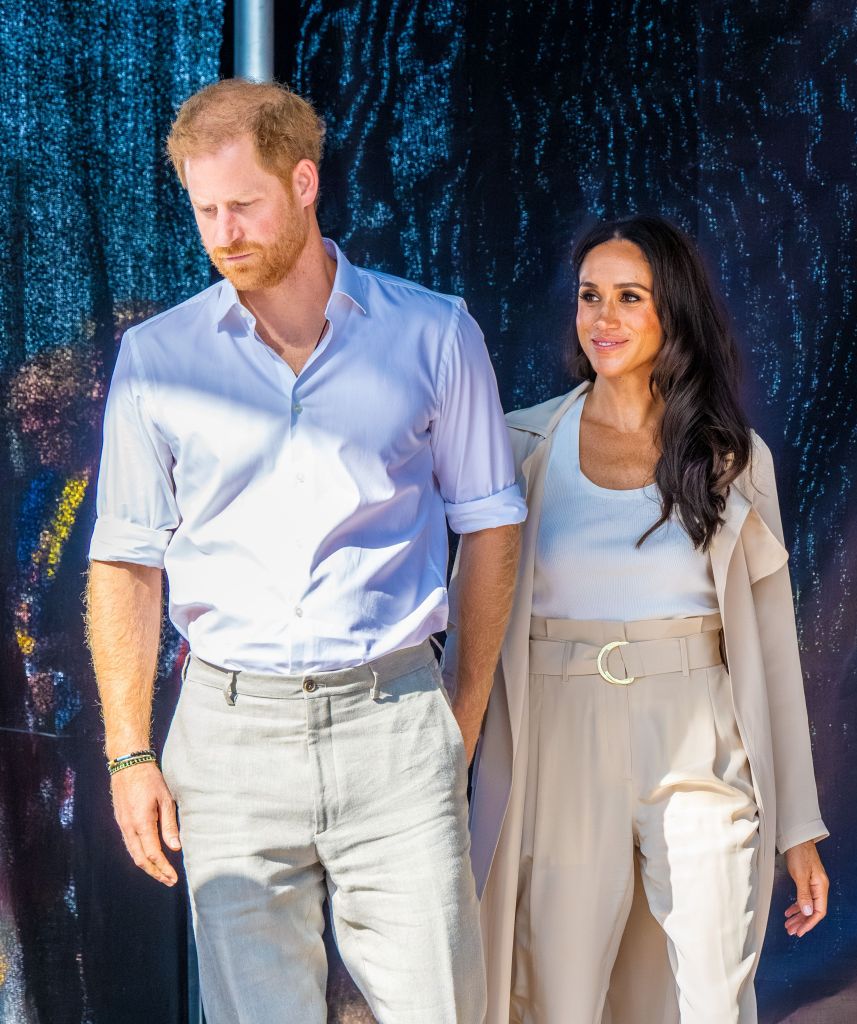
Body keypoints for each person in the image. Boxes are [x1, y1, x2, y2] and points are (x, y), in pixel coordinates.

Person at [86, 78, 525, 1024]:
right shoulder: (157, 359)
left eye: (243, 204)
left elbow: (491, 524)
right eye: (205, 210)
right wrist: (128, 753)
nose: (223, 232)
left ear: (304, 182)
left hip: (395, 722)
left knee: (440, 1008)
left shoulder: (433, 331)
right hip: (230, 733)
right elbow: (124, 561)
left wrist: (461, 715)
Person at [443, 215, 829, 1023]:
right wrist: (447, 763)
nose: (603, 319)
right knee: (557, 992)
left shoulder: (733, 457)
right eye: (590, 297)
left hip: (697, 738)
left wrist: (798, 825)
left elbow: (772, 647)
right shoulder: (519, 445)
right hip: (557, 736)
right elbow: (472, 619)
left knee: (716, 990)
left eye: (629, 297)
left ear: (672, 314)